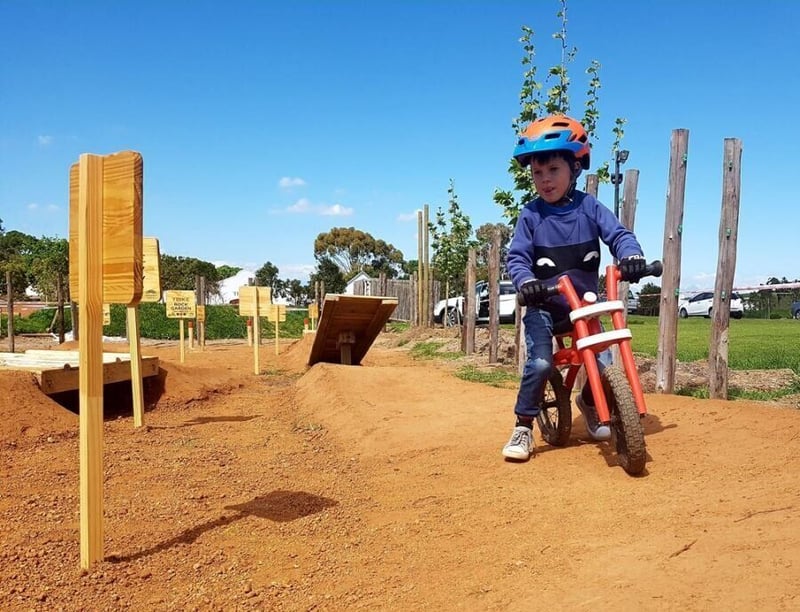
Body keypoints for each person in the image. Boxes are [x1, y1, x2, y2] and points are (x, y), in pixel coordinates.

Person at [502, 114, 647, 461]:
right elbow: (517, 258)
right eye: (537, 173)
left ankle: (592, 402)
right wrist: (528, 283)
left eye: (553, 169)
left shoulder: (590, 208)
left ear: (575, 166)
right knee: (539, 364)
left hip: (584, 305)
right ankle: (523, 425)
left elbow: (619, 235)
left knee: (602, 359)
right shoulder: (530, 216)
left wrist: (632, 256)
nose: (545, 180)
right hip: (545, 307)